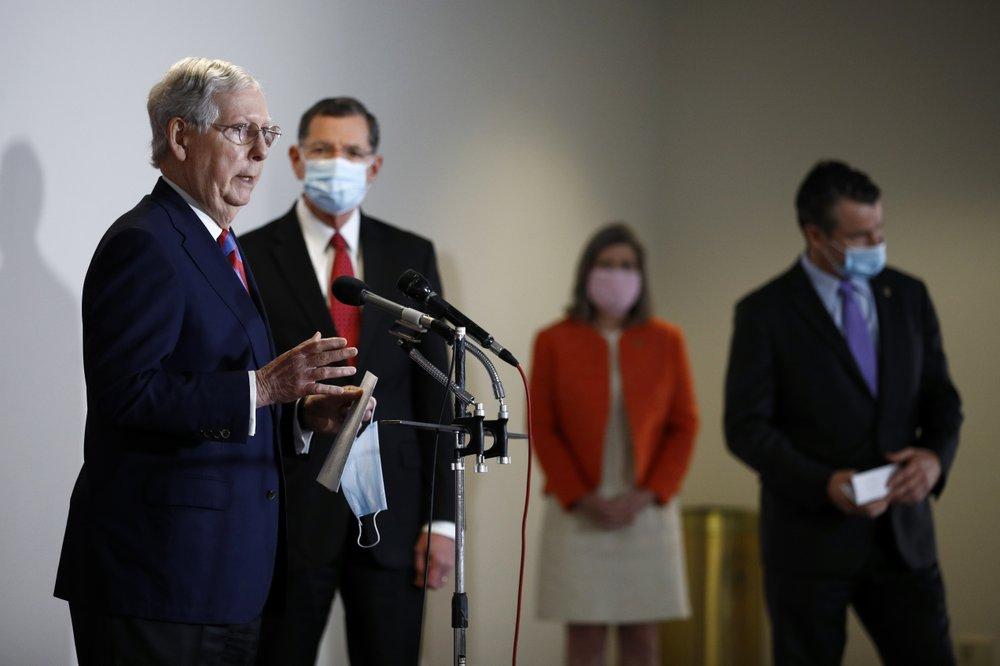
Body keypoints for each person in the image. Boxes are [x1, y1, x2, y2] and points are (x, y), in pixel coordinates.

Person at [53, 58, 374, 665]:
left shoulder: (221, 245)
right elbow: (127, 395)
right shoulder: (145, 243)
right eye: (240, 131)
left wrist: (302, 415)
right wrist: (263, 387)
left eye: (267, 134)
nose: (260, 152)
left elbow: (217, 388)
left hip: (224, 578)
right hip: (158, 577)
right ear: (180, 137)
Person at [240, 97, 454, 665]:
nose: (338, 162)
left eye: (353, 152)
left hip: (394, 513)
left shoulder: (411, 255)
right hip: (288, 513)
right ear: (296, 158)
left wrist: (442, 521)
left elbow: (436, 393)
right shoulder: (250, 254)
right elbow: (248, 383)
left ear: (374, 165)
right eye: (323, 149)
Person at [724, 160, 962, 665]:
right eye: (860, 236)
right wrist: (823, 483)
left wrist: (934, 460)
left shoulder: (909, 295)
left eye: (880, 230)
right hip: (808, 545)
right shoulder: (765, 312)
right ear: (815, 234)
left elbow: (943, 399)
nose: (877, 244)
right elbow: (746, 428)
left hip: (903, 541)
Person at [530, 223, 699, 665]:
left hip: (646, 508)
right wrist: (580, 495)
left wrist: (650, 492)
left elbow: (684, 425)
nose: (617, 274)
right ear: (587, 271)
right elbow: (543, 427)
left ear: (641, 275)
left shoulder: (666, 339)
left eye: (627, 266)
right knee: (584, 637)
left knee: (642, 637)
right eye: (607, 264)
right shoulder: (554, 340)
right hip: (579, 509)